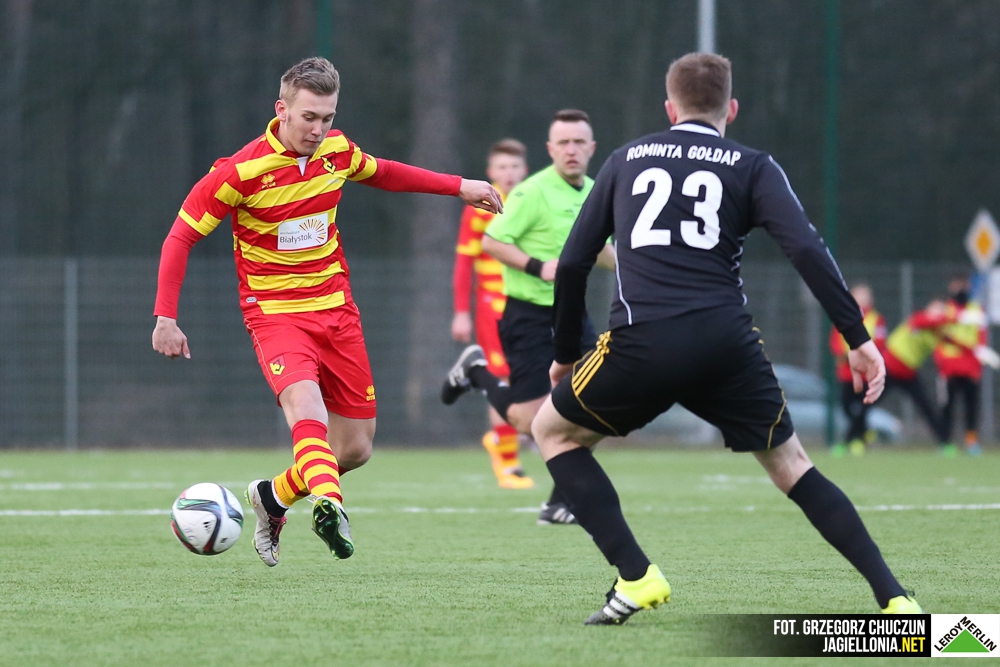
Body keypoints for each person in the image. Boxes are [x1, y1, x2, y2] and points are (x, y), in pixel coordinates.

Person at [530, 52, 922, 624]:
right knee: (792, 464)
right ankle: (894, 598)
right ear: (731, 109)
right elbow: (806, 249)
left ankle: (636, 576)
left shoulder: (624, 160)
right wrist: (857, 337)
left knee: (552, 432)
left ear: (669, 109)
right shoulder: (753, 165)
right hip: (725, 344)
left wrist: (566, 354)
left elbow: (571, 265)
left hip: (642, 341)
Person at [151, 57, 502, 566]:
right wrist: (165, 317)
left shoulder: (337, 152)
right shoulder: (239, 172)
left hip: (337, 312)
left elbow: (386, 173)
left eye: (328, 118)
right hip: (275, 314)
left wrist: (459, 186)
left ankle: (273, 497)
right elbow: (180, 237)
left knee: (355, 449)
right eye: (308, 117)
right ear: (282, 110)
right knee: (307, 410)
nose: (318, 129)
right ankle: (330, 506)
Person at [441, 109, 615, 525]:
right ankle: (477, 372)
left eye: (579, 142)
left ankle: (558, 503)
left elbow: (602, 249)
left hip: (572, 312)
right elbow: (492, 243)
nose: (572, 150)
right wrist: (539, 267)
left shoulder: (596, 192)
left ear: (592, 148)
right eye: (564, 143)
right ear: (550, 149)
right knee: (530, 421)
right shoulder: (531, 192)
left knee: (597, 405)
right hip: (528, 316)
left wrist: (637, 266)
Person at [451, 139, 532, 489]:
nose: (508, 173)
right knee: (502, 377)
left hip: (531, 305)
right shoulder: (479, 208)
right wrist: (461, 312)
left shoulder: (534, 201)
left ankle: (504, 439)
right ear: (490, 172)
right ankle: (510, 464)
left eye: (514, 166)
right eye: (501, 167)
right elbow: (464, 264)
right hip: (492, 308)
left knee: (536, 378)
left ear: (524, 170)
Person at [881, 300, 957, 454]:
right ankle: (851, 440)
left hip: (908, 373)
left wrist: (976, 350)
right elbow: (927, 321)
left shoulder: (937, 332)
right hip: (889, 368)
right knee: (867, 403)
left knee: (927, 407)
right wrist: (956, 317)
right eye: (936, 309)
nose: (938, 313)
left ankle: (945, 443)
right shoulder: (919, 318)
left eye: (941, 311)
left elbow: (954, 342)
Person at [829, 283, 886, 457]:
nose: (861, 299)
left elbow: (880, 342)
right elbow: (835, 342)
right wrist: (844, 356)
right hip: (847, 373)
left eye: (864, 296)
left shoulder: (876, 319)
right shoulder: (842, 317)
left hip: (867, 373)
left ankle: (853, 441)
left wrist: (866, 357)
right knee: (846, 406)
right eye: (858, 295)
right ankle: (864, 433)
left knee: (863, 409)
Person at [934, 276, 989, 455]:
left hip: (970, 369)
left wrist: (977, 366)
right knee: (947, 408)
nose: (961, 289)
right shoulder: (945, 309)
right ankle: (946, 443)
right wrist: (941, 364)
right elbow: (938, 338)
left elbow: (981, 342)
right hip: (949, 369)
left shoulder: (976, 310)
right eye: (957, 285)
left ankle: (971, 441)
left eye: (964, 285)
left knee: (971, 407)